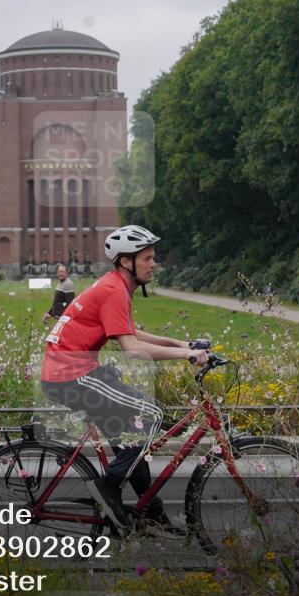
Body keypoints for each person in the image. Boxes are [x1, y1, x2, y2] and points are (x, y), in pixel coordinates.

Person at [40, 225, 209, 536]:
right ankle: (107, 488)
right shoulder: (114, 290)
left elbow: (129, 332)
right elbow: (132, 348)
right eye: (147, 258)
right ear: (126, 261)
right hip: (70, 375)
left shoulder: (114, 286)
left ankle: (149, 513)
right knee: (151, 414)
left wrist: (182, 344)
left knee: (133, 434)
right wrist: (186, 355)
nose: (154, 264)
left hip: (71, 372)